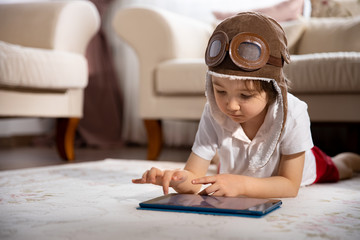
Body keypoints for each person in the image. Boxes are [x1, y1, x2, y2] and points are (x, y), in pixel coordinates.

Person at [132, 12, 360, 198]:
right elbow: (194, 178)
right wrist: (176, 179)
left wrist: (241, 185)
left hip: (300, 165)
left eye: (245, 96)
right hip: (238, 170)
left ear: (272, 90)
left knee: (339, 168)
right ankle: (223, 160)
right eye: (220, 91)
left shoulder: (294, 113)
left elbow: (289, 186)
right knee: (223, 172)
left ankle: (348, 158)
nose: (230, 105)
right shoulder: (213, 112)